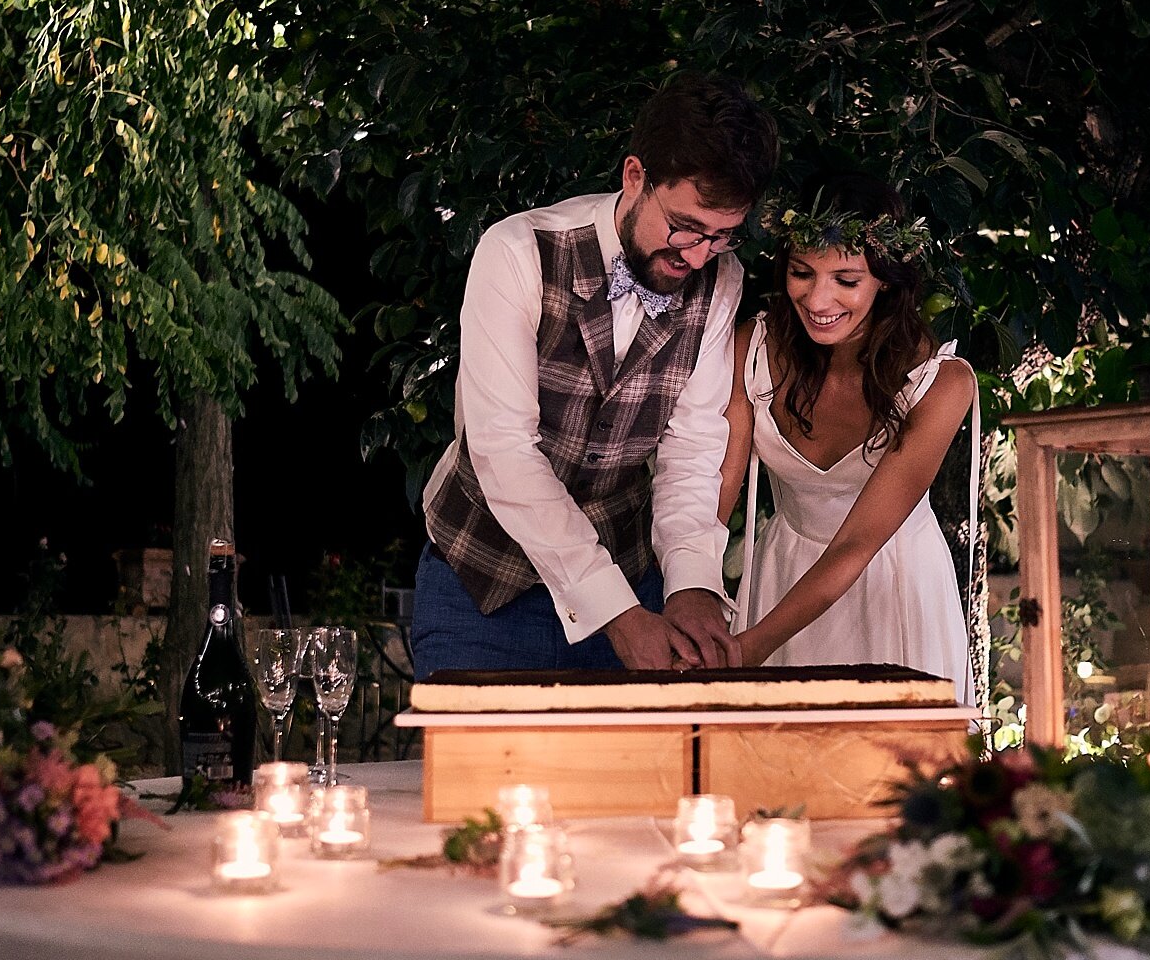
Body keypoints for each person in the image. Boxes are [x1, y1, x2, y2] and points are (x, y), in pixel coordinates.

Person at [413, 73, 780, 678]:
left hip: (633, 586)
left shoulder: (722, 282)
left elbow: (690, 450)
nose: (695, 256)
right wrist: (616, 611)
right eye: (685, 226)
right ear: (635, 175)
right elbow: (503, 450)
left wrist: (690, 582)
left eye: (720, 237)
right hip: (480, 591)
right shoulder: (516, 253)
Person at [717, 173, 978, 693]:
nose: (818, 299)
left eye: (846, 280)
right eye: (801, 272)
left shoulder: (942, 384)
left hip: (892, 582)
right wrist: (692, 596)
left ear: (886, 279)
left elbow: (856, 545)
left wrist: (748, 649)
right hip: (782, 572)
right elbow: (721, 484)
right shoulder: (752, 346)